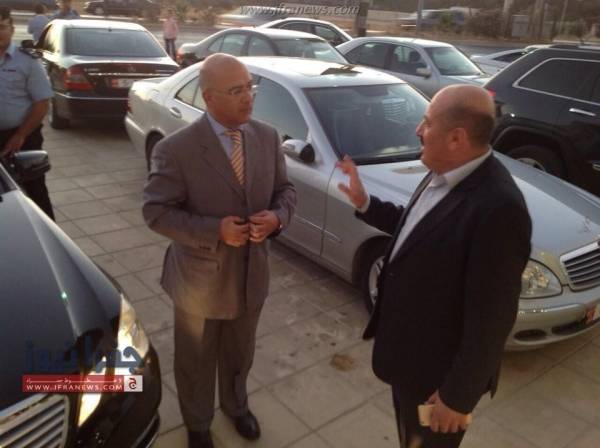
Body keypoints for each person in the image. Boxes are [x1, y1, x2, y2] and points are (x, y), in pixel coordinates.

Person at [337, 84, 532, 448]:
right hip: (408, 359)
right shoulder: (444, 168)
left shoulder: (500, 209)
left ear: (457, 138)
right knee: (407, 436)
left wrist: (458, 397)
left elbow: (492, 318)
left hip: (437, 381)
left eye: (427, 123)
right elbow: (417, 228)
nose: (418, 130)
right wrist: (365, 203)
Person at [143, 53, 296, 448]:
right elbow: (156, 212)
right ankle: (197, 423)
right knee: (195, 361)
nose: (248, 97)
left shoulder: (267, 137)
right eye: (236, 91)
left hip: (251, 276)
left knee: (240, 353)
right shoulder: (177, 149)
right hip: (200, 284)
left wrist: (277, 218)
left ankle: (236, 406)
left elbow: (285, 191)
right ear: (209, 97)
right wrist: (215, 231)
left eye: (250, 88)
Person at [0, 6, 55, 220]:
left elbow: (42, 102)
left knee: (35, 189)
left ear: (12, 29)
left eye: (2, 27)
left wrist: (20, 135)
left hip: (23, 138)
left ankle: (48, 231)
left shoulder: (27, 61)